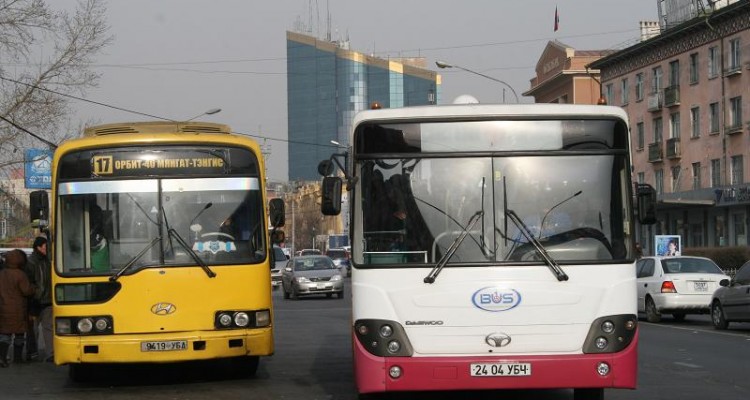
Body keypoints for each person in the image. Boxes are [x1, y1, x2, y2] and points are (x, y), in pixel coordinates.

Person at [0, 249, 37, 367]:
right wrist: (33, 288)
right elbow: (26, 291)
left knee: (5, 335)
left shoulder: (2, 273)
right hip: (18, 309)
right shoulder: (20, 274)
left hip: (3, 308)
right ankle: (17, 358)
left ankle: (2, 357)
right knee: (19, 335)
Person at [27, 237, 53, 362]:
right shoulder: (31, 262)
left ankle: (50, 353)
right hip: (35, 301)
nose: (47, 249)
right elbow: (29, 283)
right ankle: (32, 352)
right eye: (45, 246)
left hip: (47, 300)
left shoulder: (48, 261)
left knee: (48, 327)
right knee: (33, 329)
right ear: (38, 247)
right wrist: (34, 295)